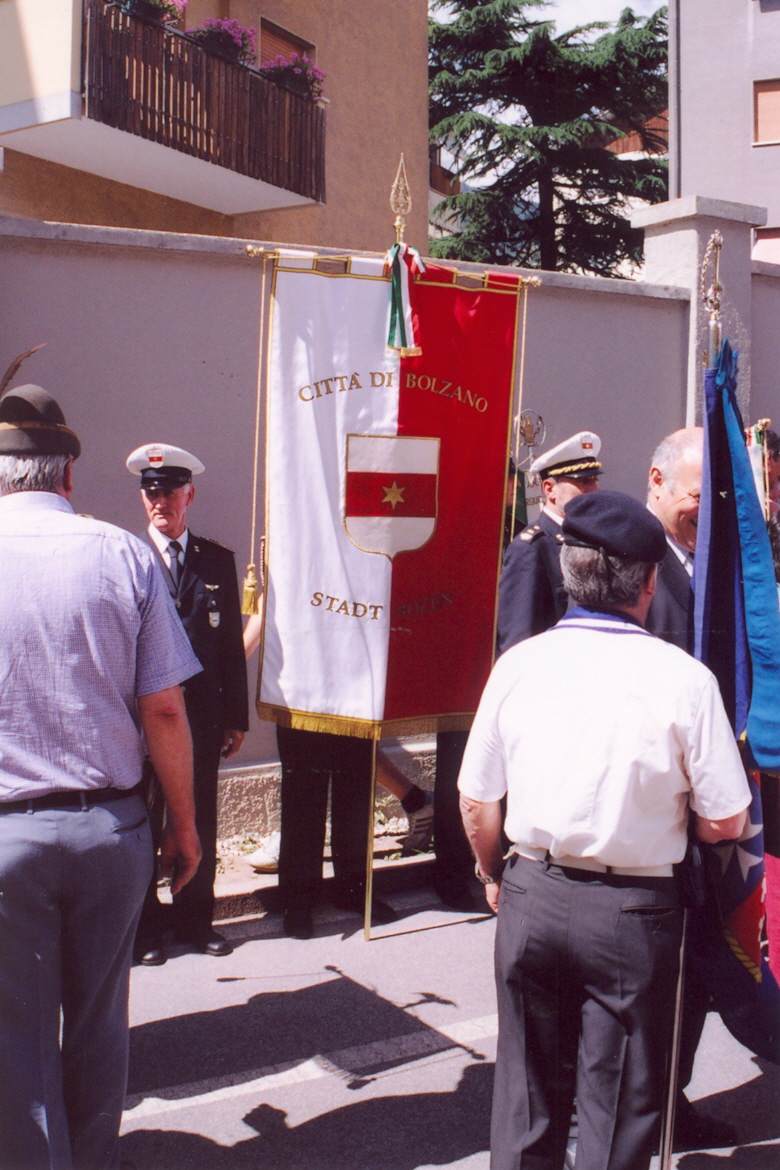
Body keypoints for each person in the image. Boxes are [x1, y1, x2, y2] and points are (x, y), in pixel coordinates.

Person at [458, 490, 751, 1170]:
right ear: (649, 584)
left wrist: (495, 873)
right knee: (617, 1112)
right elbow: (727, 819)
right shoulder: (684, 680)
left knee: (527, 1103)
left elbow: (476, 799)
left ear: (570, 574)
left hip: (533, 892)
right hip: (633, 912)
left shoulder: (519, 665)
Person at [0, 384, 201, 1170]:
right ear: (68, 477)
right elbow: (164, 711)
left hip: (8, 832)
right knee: (97, 1024)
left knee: (15, 1036)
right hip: (109, 829)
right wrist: (184, 827)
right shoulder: (119, 552)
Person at [127, 442, 248, 963]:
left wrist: (235, 718)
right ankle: (147, 931)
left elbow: (229, 652)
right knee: (146, 823)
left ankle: (197, 923)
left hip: (200, 718)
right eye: (151, 492)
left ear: (189, 495)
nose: (160, 501)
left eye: (169, 491)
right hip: (140, 721)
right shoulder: (127, 560)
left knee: (200, 819)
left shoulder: (216, 560)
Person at [497, 430, 602, 653]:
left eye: (595, 480)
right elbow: (519, 639)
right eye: (583, 482)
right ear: (550, 489)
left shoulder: (591, 539)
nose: (593, 490)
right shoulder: (532, 547)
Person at [645, 427, 703, 649]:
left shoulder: (726, 557)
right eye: (699, 496)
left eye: (720, 496)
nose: (712, 510)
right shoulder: (622, 559)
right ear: (658, 481)